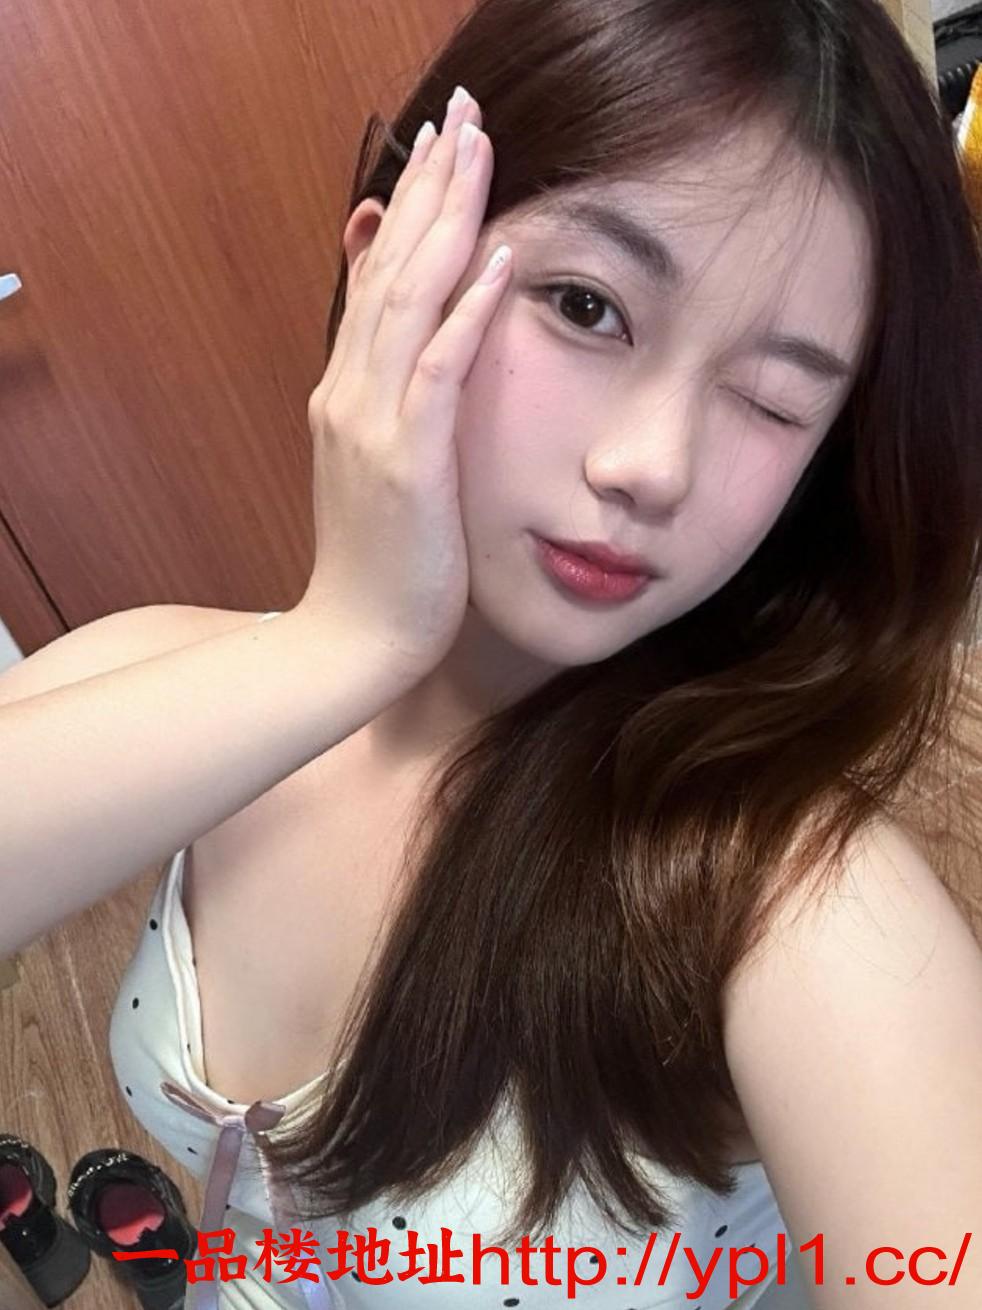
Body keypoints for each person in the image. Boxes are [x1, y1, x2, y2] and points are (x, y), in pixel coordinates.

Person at [2, 0, 981, 1306]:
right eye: (585, 306)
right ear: (390, 269)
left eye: (770, 398)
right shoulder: (182, 671)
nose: (650, 464)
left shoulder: (789, 896)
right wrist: (345, 644)